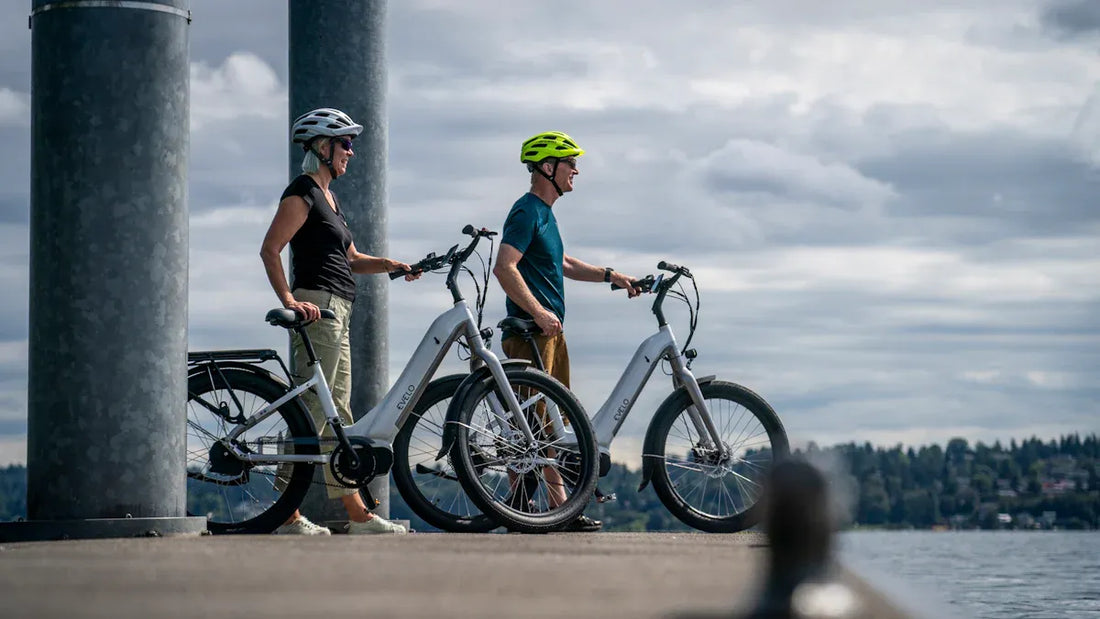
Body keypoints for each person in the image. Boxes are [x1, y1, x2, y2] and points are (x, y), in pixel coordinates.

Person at [260, 107, 415, 535]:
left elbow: (351, 258)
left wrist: (392, 265)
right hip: (316, 305)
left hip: (340, 308)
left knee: (335, 412)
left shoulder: (330, 198)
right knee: (314, 410)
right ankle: (298, 515)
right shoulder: (302, 193)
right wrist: (291, 299)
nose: (351, 152)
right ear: (323, 148)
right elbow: (271, 249)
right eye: (345, 143)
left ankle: (353, 513)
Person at [493, 131, 641, 532]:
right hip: (530, 334)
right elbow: (504, 267)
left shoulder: (545, 214)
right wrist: (538, 311)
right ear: (547, 167)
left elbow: (564, 263)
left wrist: (611, 275)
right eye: (569, 162)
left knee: (552, 423)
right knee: (537, 426)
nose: (576, 170)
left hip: (551, 335)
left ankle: (541, 506)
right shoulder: (526, 211)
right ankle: (560, 508)